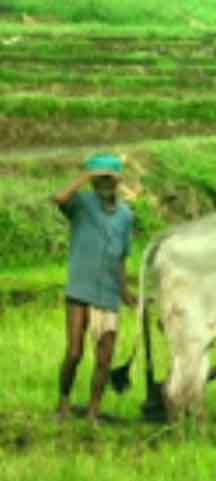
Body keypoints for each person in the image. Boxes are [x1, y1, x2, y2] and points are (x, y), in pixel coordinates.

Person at [50, 154, 136, 424]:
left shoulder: (126, 216)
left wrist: (125, 292)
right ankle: (63, 403)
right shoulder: (83, 204)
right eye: (102, 179)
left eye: (110, 179)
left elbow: (121, 257)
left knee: (104, 358)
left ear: (118, 181)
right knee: (74, 352)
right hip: (80, 289)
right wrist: (86, 176)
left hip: (108, 294)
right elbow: (60, 199)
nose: (106, 184)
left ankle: (93, 412)